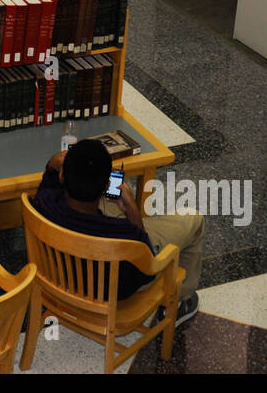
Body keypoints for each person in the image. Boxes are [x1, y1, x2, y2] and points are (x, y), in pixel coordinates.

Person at [33, 137, 204, 325]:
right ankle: (180, 302)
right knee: (193, 217)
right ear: (107, 185)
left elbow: (48, 179)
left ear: (61, 175)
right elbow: (146, 266)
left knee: (108, 205)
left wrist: (52, 163)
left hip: (62, 277)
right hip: (113, 291)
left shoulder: (45, 202)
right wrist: (131, 209)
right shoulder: (123, 232)